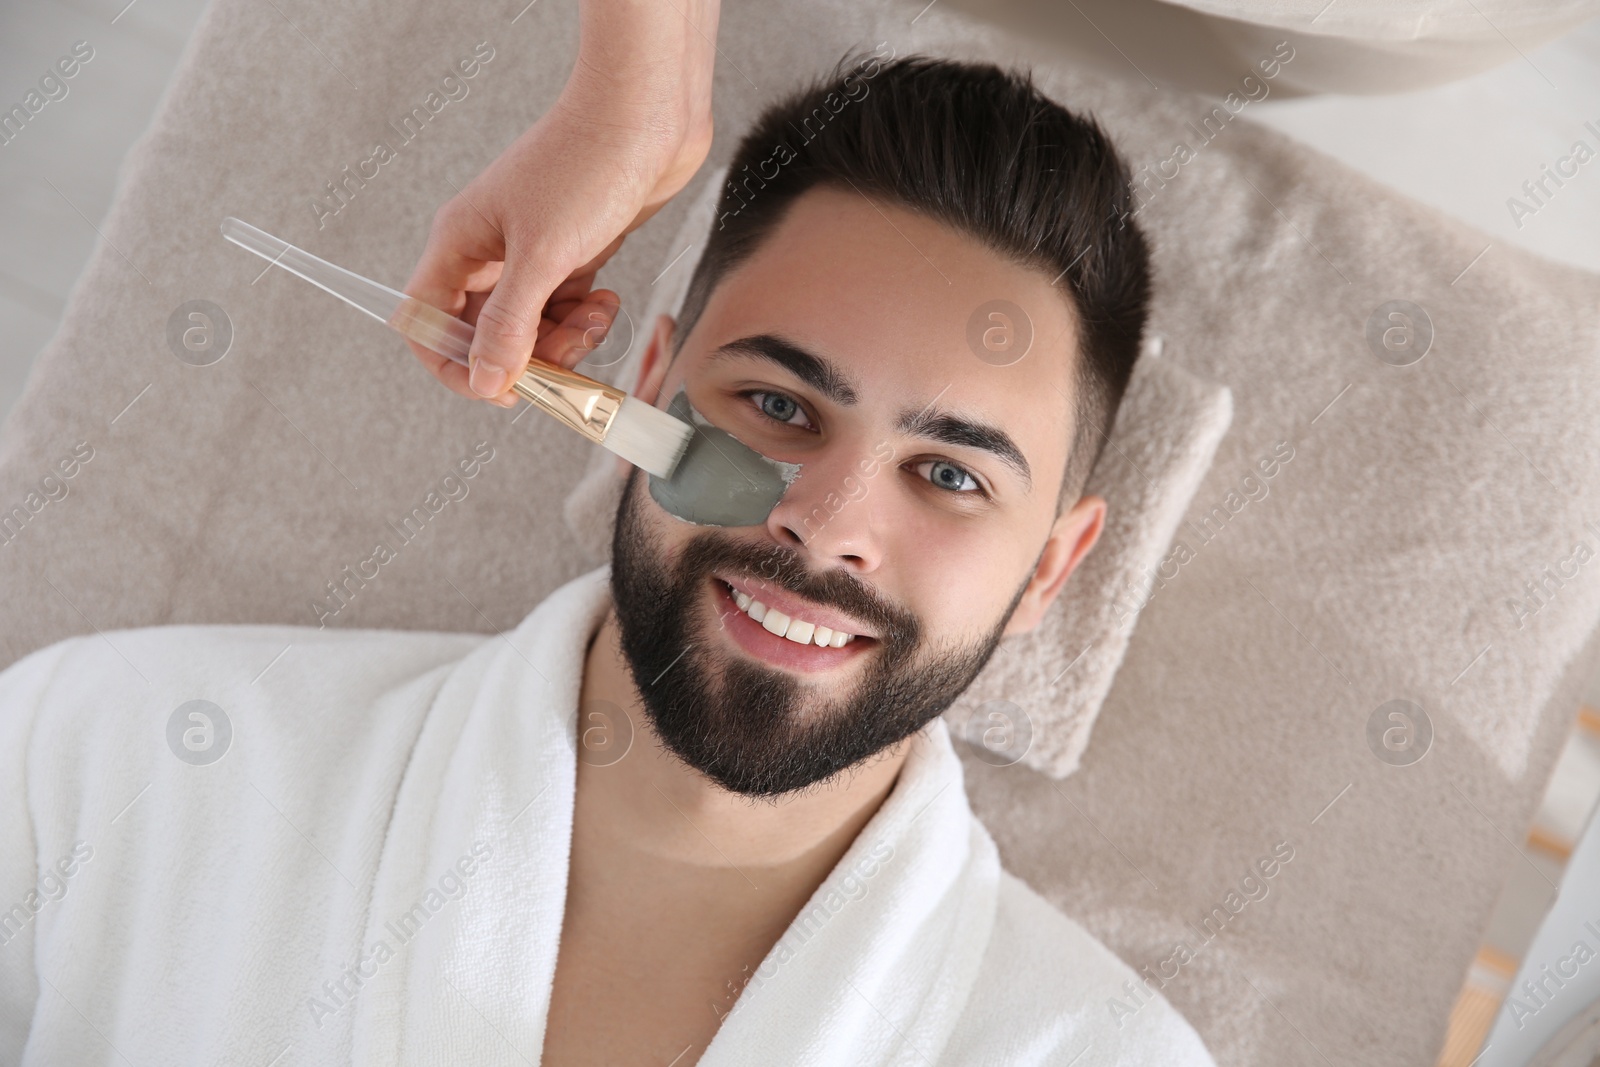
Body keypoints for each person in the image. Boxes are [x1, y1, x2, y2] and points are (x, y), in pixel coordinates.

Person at [0, 44, 1219, 1067]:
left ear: (1050, 570)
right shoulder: (114, 762)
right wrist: (637, 80)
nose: (827, 521)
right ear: (648, 380)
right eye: (781, 406)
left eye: (950, 475)